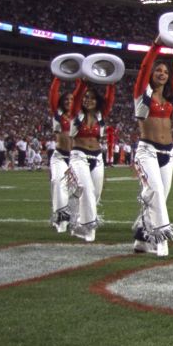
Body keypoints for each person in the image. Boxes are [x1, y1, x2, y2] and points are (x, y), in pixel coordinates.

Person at [131, 35, 173, 257]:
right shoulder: (141, 95)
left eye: (165, 71)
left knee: (158, 197)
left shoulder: (169, 97)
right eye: (158, 71)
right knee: (154, 191)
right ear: (151, 75)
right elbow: (144, 67)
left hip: (167, 152)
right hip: (147, 151)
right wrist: (156, 45)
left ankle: (141, 238)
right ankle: (161, 239)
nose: (162, 74)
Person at [65, 78, 116, 242]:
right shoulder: (76, 114)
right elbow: (77, 95)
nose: (88, 100)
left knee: (95, 194)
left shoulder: (101, 115)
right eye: (86, 97)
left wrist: (111, 82)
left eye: (92, 98)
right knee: (86, 189)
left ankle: (79, 223)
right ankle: (89, 229)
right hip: (79, 156)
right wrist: (82, 84)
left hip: (97, 157)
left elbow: (110, 96)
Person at [48, 77, 79, 233]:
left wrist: (81, 81)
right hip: (60, 156)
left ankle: (74, 218)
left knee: (76, 189)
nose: (68, 101)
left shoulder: (78, 116)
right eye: (66, 99)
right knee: (58, 184)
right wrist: (59, 77)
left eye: (72, 99)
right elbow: (53, 93)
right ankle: (61, 218)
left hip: (75, 158)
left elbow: (80, 94)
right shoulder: (58, 114)